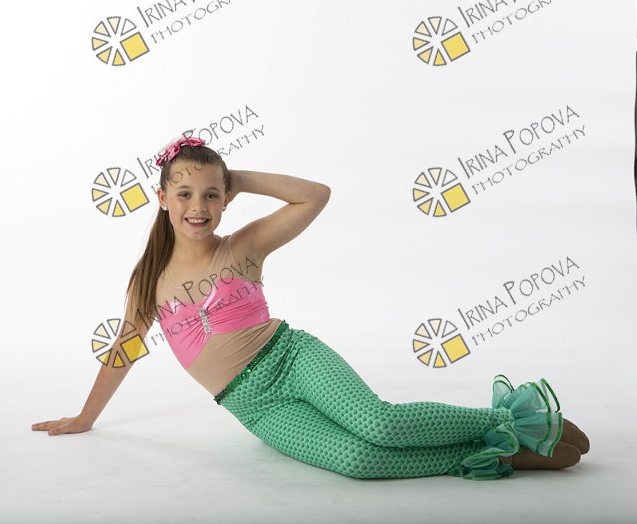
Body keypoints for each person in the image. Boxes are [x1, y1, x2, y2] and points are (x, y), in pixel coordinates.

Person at [32, 136, 590, 480]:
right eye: (184, 194)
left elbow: (316, 194)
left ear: (226, 199)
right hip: (253, 405)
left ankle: (513, 423)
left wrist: (236, 178)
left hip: (292, 360)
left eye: (211, 194)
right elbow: (124, 349)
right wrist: (85, 418)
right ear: (161, 199)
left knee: (379, 423)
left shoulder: (242, 247)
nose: (197, 206)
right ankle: (491, 456)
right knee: (359, 460)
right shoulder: (149, 278)